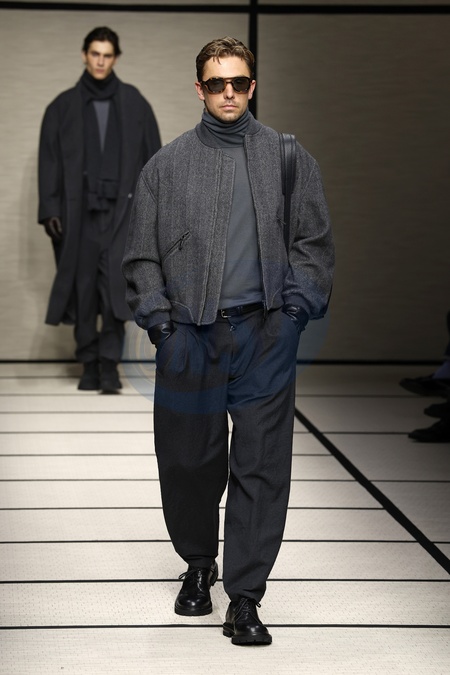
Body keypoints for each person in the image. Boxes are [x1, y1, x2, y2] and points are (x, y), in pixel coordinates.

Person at [122, 37, 334, 645]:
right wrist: (162, 327)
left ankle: (245, 598)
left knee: (262, 466)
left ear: (252, 86)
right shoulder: (166, 166)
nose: (229, 93)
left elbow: (313, 244)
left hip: (264, 332)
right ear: (200, 89)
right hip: (191, 335)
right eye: (217, 83)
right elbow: (141, 256)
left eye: (239, 82)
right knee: (188, 462)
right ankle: (198, 564)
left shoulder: (288, 158)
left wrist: (292, 318)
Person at [38, 26, 161, 392]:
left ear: (115, 58)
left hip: (122, 214)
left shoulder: (135, 103)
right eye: (95, 54)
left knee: (114, 290)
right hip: (77, 215)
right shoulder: (62, 106)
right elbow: (49, 161)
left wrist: (151, 211)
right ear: (84, 55)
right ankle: (88, 362)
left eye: (107, 55)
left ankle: (109, 364)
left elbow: (152, 160)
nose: (101, 61)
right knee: (82, 288)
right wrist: (50, 208)